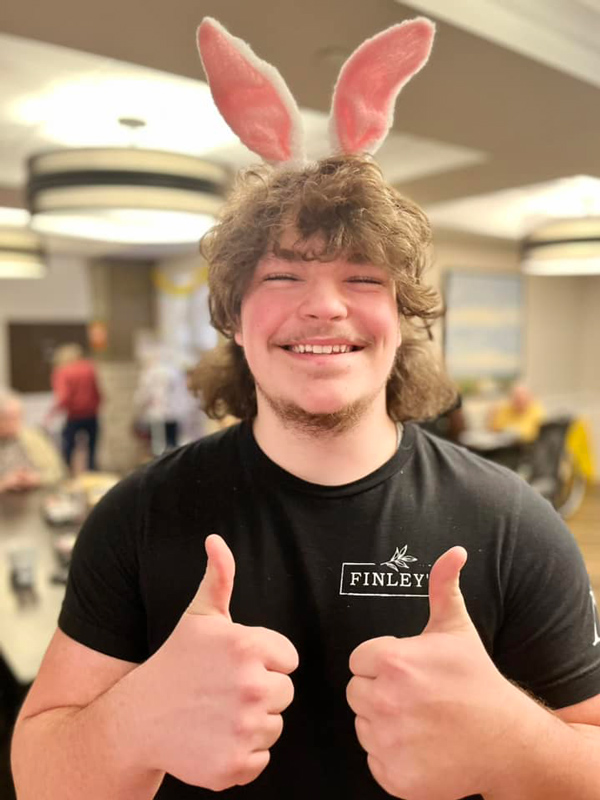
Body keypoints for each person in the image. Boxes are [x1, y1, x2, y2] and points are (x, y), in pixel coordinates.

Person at [11, 17, 600, 800]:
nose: (324, 308)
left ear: (404, 319)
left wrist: (513, 741)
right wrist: (136, 720)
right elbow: (38, 773)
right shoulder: (137, 517)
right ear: (235, 320)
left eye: (362, 279)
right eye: (282, 278)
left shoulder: (512, 523)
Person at [47, 343, 102, 472]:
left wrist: (51, 413)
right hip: (91, 413)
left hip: (73, 415)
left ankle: (66, 473)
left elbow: (63, 396)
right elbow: (97, 391)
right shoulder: (89, 368)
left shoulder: (62, 371)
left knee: (68, 448)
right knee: (92, 448)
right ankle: (92, 473)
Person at [0, 389, 64, 494]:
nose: (17, 423)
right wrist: (4, 483)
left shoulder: (33, 438)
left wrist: (36, 478)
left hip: (34, 500)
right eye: (9, 418)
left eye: (18, 417)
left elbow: (59, 472)